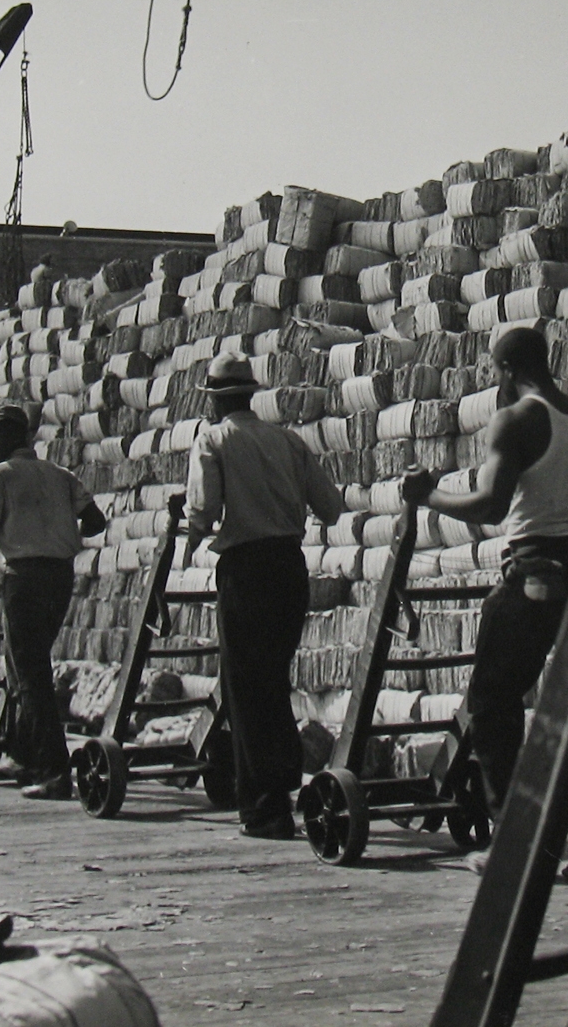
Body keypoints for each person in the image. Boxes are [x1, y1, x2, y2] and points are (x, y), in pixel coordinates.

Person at [403, 327, 568, 886]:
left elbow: (493, 505)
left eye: (494, 373)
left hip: (533, 569)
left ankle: (515, 844)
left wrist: (426, 495)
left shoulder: (516, 419)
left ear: (505, 369)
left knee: (493, 700)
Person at [184, 354, 347, 839]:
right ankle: (282, 784)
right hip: (288, 569)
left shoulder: (212, 440)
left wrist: (191, 536)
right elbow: (332, 508)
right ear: (250, 395)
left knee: (247, 689)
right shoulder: (288, 441)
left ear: (214, 401)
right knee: (274, 680)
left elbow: (204, 508)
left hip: (246, 571)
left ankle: (263, 806)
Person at [0, 403, 105, 799]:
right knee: (26, 665)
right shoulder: (60, 475)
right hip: (59, 577)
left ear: (14, 436)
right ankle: (21, 752)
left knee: (30, 675)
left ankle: (53, 771)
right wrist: (57, 526)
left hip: (24, 579)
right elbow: (95, 521)